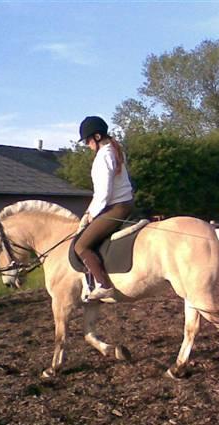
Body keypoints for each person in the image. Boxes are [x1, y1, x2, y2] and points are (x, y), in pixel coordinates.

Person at [74, 116, 134, 300]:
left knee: (81, 245)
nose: (87, 145)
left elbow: (103, 193)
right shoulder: (115, 150)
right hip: (125, 203)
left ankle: (103, 285)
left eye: (88, 140)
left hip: (115, 207)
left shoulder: (104, 156)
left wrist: (91, 214)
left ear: (97, 137)